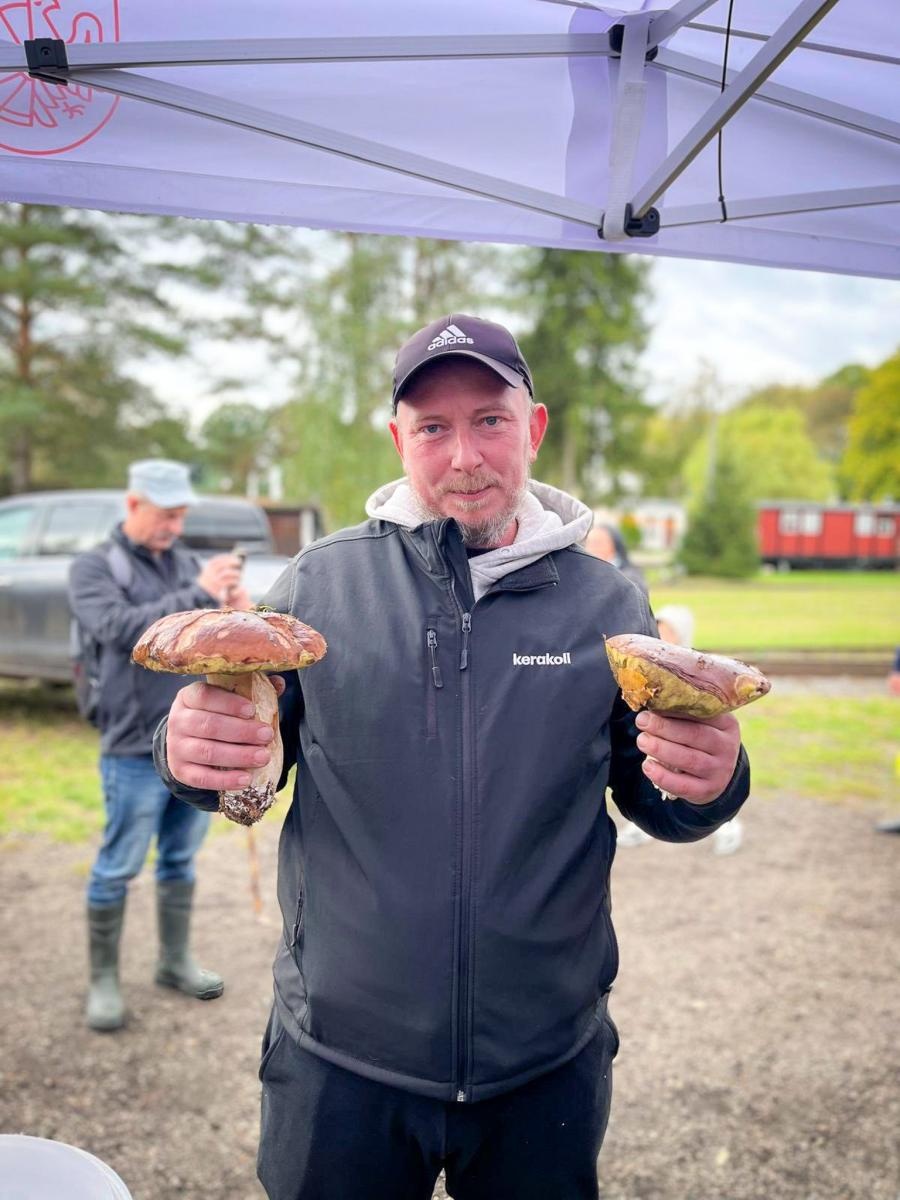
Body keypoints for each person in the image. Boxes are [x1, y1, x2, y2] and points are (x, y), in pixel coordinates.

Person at [156, 315, 750, 1200]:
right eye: (432, 428)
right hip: (341, 1059)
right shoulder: (321, 585)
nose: (464, 457)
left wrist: (712, 781)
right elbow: (251, 763)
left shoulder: (606, 598)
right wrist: (192, 755)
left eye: (489, 420)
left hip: (542, 1061)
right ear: (399, 439)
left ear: (534, 427)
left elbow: (655, 793)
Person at [69, 458, 252, 1033]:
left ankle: (173, 961)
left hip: (187, 749)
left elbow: (202, 641)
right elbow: (123, 631)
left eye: (180, 515)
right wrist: (197, 592)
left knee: (179, 858)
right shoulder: (93, 567)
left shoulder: (185, 562)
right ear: (132, 505)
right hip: (128, 744)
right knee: (118, 864)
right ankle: (103, 980)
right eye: (164, 515)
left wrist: (234, 610)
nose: (173, 526)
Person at [584, 521, 649, 596]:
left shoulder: (630, 577)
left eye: (598, 543)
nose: (593, 548)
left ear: (615, 545)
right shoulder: (584, 576)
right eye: (589, 543)